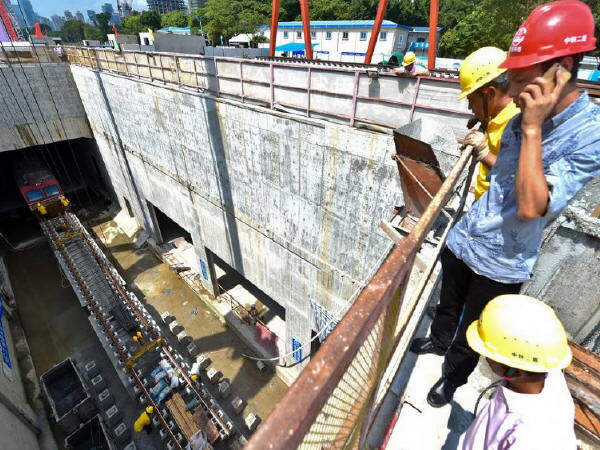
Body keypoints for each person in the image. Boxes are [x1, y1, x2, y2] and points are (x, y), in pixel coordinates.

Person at [410, 0, 600, 408]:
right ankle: (438, 341)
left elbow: (533, 207)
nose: (511, 91)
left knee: (476, 325)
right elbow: (501, 182)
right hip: (469, 238)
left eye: (519, 77)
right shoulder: (518, 118)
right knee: (448, 302)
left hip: (502, 259)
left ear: (561, 69)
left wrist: (532, 130)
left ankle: (452, 378)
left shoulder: (589, 135)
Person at [459, 294, 575, 449]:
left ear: (515, 371)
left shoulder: (531, 438)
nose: (485, 356)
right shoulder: (546, 371)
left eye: (490, 356)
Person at [457, 47, 519, 200]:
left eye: (471, 100)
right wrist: (484, 119)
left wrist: (484, 152)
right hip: (484, 199)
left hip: (496, 209)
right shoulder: (498, 113)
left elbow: (516, 175)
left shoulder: (516, 123)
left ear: (490, 93)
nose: (470, 107)